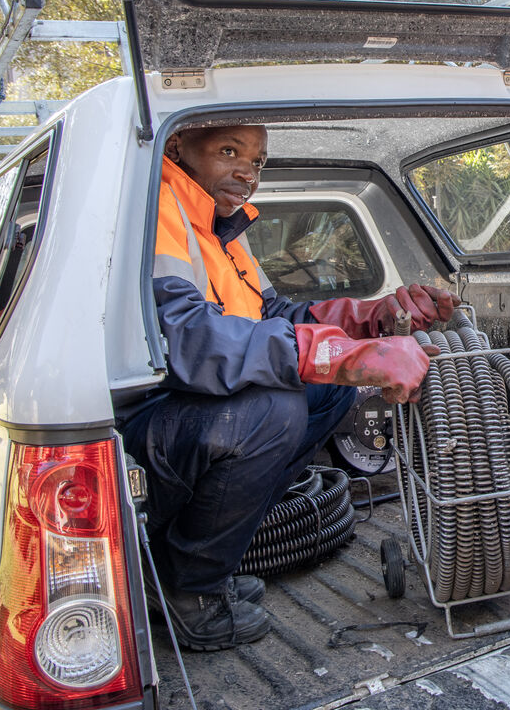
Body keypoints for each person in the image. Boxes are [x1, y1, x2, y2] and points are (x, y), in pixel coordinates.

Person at [118, 122, 458, 651]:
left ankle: (188, 564)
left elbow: (275, 314)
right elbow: (187, 339)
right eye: (229, 151)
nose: (246, 172)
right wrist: (343, 356)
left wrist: (371, 319)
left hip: (188, 418)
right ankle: (188, 593)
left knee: (328, 395)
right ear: (177, 145)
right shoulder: (156, 208)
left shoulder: (221, 230)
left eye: (256, 161)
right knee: (272, 411)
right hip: (141, 429)